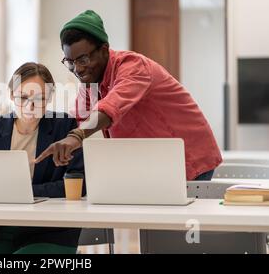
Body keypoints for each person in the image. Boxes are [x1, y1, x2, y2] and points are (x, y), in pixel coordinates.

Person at [35, 10, 222, 181]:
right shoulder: (91, 80)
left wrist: (76, 136)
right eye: (70, 62)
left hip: (189, 158)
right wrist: (39, 134)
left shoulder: (134, 67)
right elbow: (78, 118)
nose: (78, 69)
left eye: (83, 59)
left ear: (103, 50)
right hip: (153, 163)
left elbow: (110, 108)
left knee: (171, 217)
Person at [0, 62, 85, 254]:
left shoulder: (64, 126)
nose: (30, 105)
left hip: (50, 230)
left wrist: (25, 192)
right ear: (10, 95)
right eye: (22, 97)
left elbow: (78, 183)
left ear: (49, 98)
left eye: (39, 98)